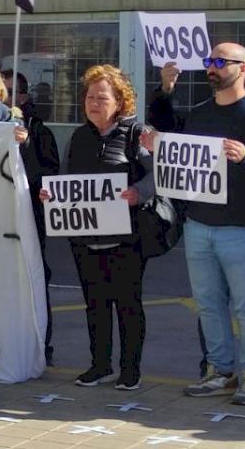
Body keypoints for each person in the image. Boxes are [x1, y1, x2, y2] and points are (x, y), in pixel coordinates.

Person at [142, 43, 245, 405]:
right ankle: (218, 371)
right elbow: (170, 135)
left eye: (221, 62)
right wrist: (165, 90)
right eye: (209, 61)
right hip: (199, 226)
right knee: (208, 303)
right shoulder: (201, 113)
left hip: (243, 229)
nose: (212, 67)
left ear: (243, 68)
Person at [42, 65, 152, 390]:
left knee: (128, 305)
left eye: (102, 98)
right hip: (85, 239)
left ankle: (130, 369)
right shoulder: (78, 137)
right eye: (90, 97)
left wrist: (138, 193)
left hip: (127, 239)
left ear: (119, 101)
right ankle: (99, 365)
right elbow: (66, 179)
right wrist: (52, 195)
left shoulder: (137, 134)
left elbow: (158, 174)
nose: (94, 103)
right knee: (95, 304)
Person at [3, 69, 61, 365]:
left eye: (8, 92)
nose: (1, 97)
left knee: (31, 279)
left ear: (22, 98)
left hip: (28, 220)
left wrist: (24, 147)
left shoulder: (39, 132)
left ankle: (41, 346)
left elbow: (49, 176)